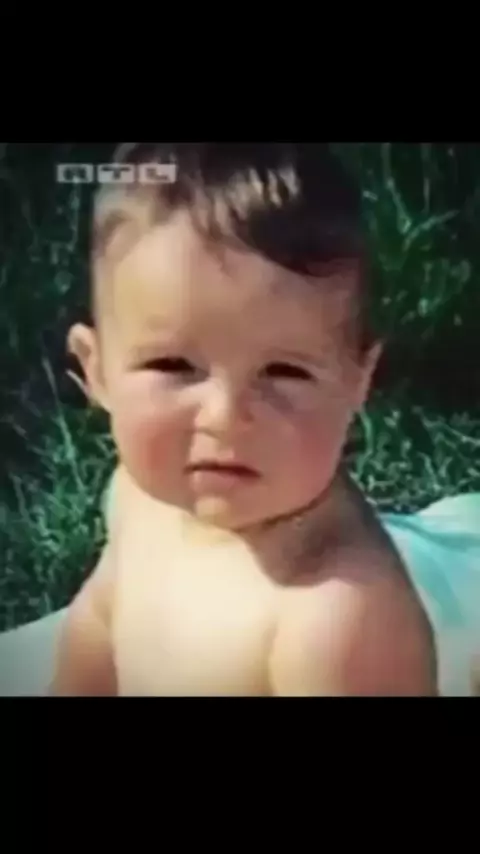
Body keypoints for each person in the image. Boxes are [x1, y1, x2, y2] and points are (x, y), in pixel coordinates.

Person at [50, 142, 456, 696]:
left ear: (358, 380)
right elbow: (100, 622)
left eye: (284, 372)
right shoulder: (140, 498)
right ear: (96, 370)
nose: (225, 418)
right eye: (173, 365)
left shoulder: (334, 618)